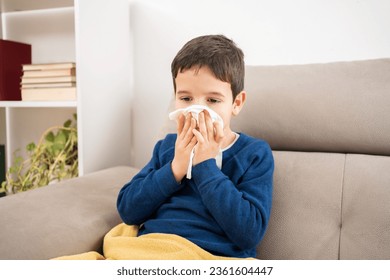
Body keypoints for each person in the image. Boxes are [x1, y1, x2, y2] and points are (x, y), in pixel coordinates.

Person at [117, 34, 274, 259]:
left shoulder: (254, 154)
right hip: (152, 251)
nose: (198, 110)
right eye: (186, 99)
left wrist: (205, 165)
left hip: (209, 257)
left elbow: (249, 233)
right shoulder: (167, 147)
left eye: (213, 100)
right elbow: (128, 210)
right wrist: (175, 168)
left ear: (236, 103)